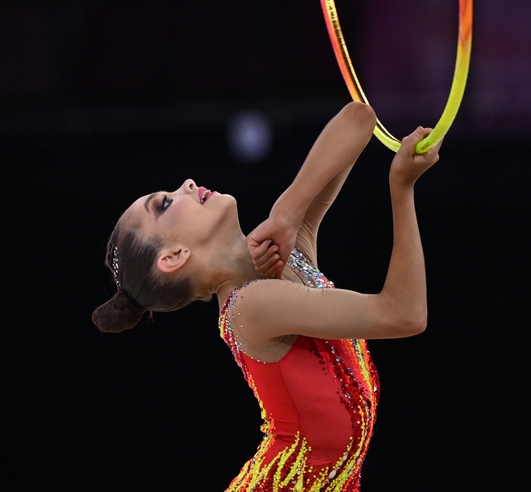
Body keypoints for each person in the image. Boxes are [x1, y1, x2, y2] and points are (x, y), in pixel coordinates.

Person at [92, 102, 442, 491]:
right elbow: (405, 314)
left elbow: (359, 118)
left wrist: (289, 211)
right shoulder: (251, 307)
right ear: (174, 257)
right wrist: (402, 188)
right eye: (166, 203)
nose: (187, 183)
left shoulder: (286, 258)